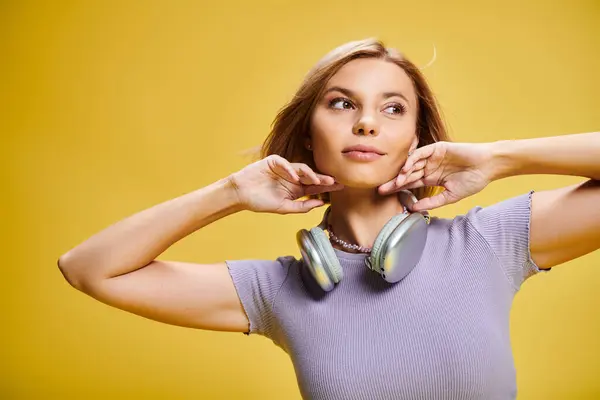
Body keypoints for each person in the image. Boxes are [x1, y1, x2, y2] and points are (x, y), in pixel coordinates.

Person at [57, 38, 600, 399]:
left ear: (416, 139)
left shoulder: (487, 243)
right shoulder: (275, 289)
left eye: (392, 108)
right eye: (342, 103)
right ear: (308, 135)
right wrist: (229, 192)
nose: (366, 122)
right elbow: (88, 268)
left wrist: (503, 158)